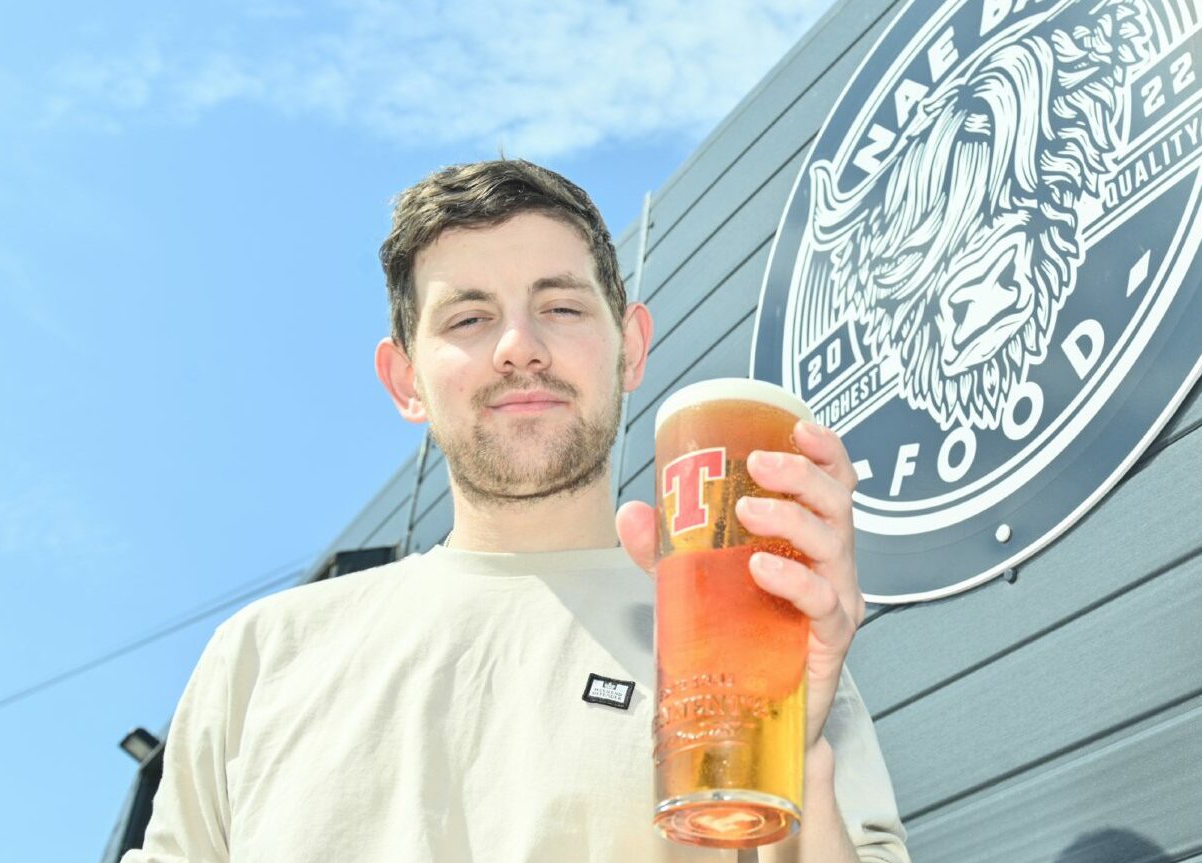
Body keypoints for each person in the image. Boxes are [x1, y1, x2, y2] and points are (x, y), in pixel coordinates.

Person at [124, 160, 910, 862]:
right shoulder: (260, 658)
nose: (518, 346)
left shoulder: (760, 644)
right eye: (468, 318)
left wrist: (792, 754)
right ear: (404, 381)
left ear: (631, 348)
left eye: (561, 307)